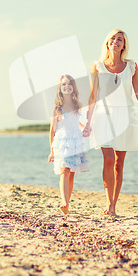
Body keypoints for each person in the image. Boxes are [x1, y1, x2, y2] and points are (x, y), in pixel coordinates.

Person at [85, 29, 138, 217]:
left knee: (119, 163)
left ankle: (113, 205)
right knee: (108, 159)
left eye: (120, 39)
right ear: (107, 43)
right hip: (103, 117)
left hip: (125, 117)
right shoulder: (98, 66)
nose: (116, 41)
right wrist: (87, 121)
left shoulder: (131, 66)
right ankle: (108, 202)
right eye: (113, 38)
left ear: (124, 45)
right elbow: (92, 95)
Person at [48, 74, 90, 215]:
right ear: (60, 89)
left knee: (71, 173)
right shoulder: (57, 108)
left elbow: (75, 121)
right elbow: (52, 130)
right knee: (64, 171)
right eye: (64, 85)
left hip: (75, 141)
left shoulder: (77, 105)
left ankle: (67, 204)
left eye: (69, 84)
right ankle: (64, 202)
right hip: (62, 142)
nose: (67, 87)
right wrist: (52, 151)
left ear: (73, 87)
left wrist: (85, 127)